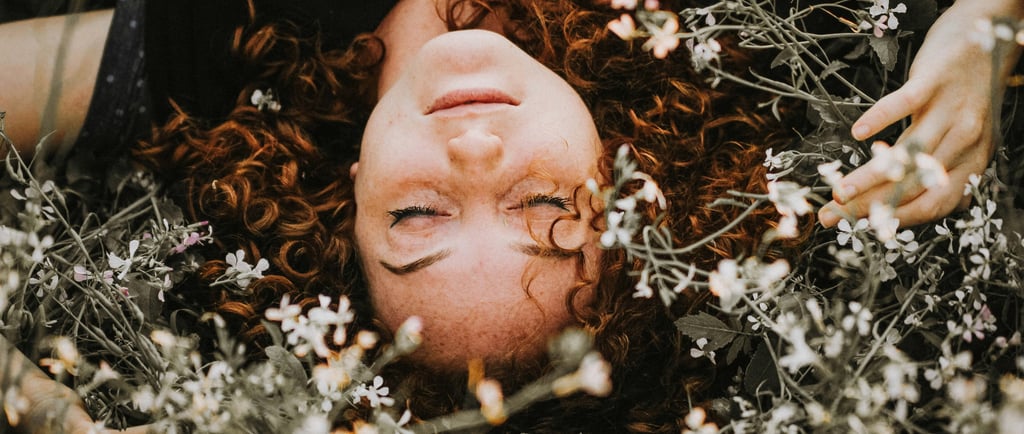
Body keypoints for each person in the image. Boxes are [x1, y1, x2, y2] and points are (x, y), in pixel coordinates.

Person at [0, 0, 1019, 432]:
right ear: (623, 183)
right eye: (544, 206)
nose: (476, 151)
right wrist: (988, 23)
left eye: (416, 217)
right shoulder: (723, 34)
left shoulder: (213, 58)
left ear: (346, 198)